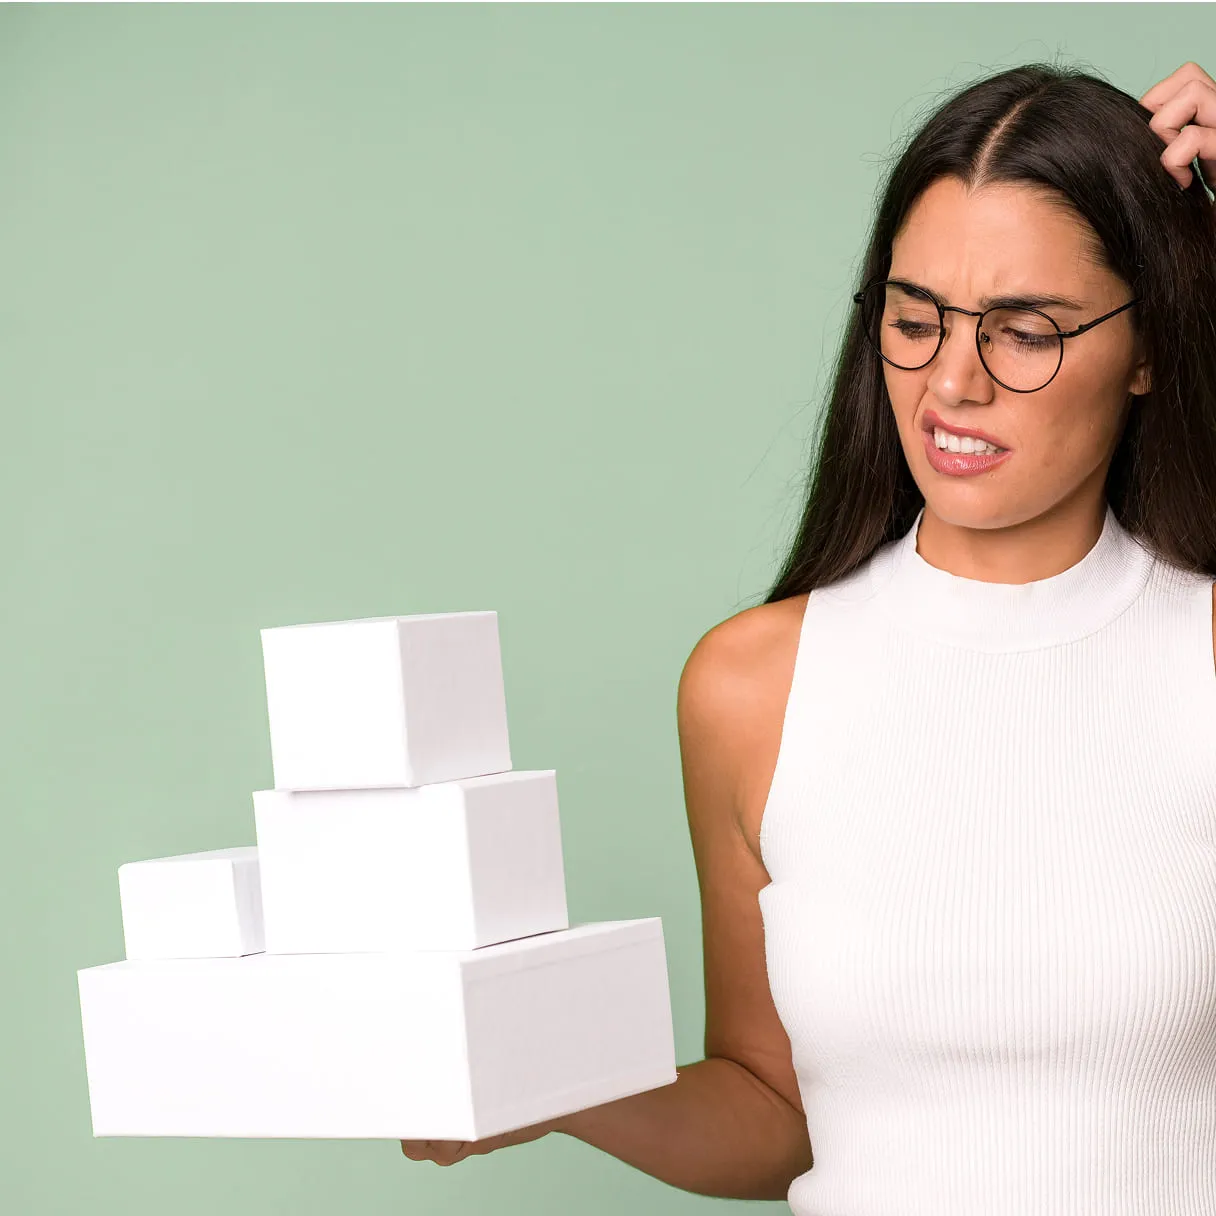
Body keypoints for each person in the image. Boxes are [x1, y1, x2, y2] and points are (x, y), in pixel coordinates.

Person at [402, 58, 1216, 1210]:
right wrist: (537, 1085)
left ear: (1146, 347)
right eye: (914, 318)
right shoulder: (749, 686)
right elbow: (774, 1111)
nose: (953, 384)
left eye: (1024, 330)